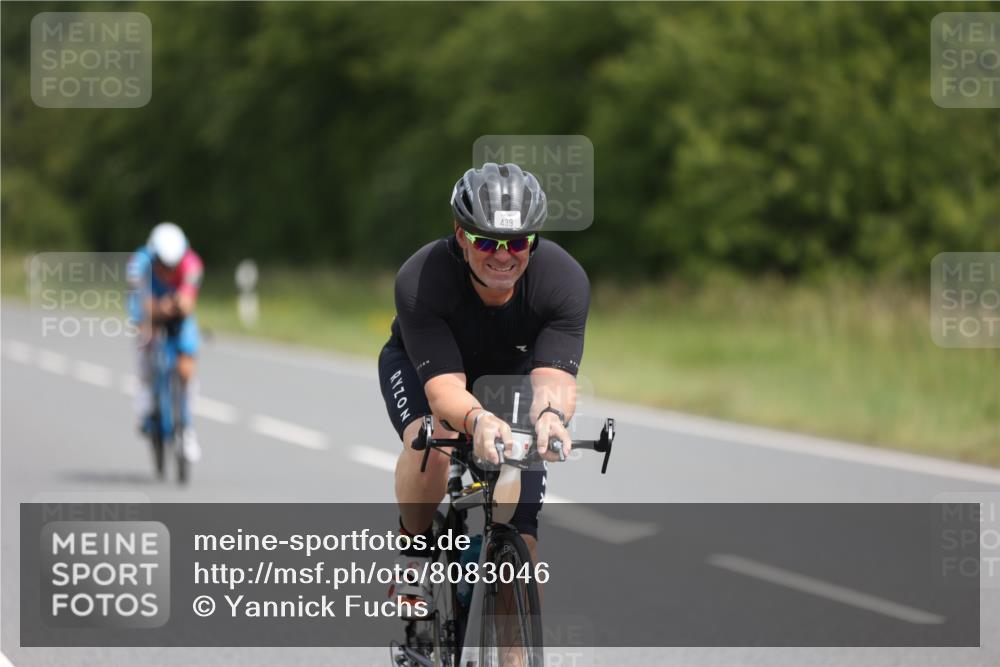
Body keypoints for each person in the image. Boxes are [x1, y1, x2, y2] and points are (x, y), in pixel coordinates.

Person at [378, 162, 590, 605]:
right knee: (434, 442)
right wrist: (478, 419)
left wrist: (551, 417)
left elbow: (553, 377)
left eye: (516, 242)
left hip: (511, 376)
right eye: (487, 241)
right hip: (429, 370)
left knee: (521, 548)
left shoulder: (562, 280)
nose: (503, 255)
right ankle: (414, 551)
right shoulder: (423, 279)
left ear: (532, 241)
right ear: (461, 235)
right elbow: (444, 391)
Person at [127, 222, 204, 463]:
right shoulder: (139, 264)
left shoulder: (192, 264)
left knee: (186, 364)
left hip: (178, 316)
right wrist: (158, 310)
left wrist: (176, 305)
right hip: (149, 311)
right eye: (163, 264)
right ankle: (147, 398)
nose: (168, 270)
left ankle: (187, 428)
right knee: (145, 342)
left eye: (174, 265)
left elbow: (188, 301)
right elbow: (142, 304)